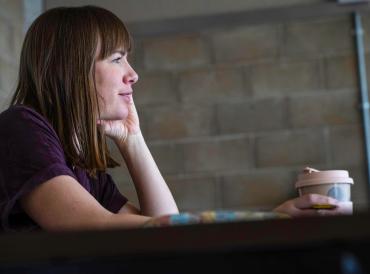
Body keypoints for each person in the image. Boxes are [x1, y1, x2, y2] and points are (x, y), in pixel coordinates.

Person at [0, 6, 351, 232]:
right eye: (117, 58)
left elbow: (164, 232)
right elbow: (90, 227)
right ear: (71, 70)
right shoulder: (22, 128)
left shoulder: (80, 166)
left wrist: (132, 139)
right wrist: (271, 221)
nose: (132, 74)